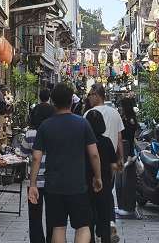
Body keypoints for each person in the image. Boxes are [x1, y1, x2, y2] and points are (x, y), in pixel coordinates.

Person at [29, 83, 101, 243]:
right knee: (83, 227)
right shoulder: (83, 123)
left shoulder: (45, 126)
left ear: (53, 102)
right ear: (71, 102)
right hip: (78, 186)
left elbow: (36, 157)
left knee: (58, 227)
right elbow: (94, 154)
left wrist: (33, 184)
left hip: (53, 187)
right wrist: (98, 177)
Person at [85, 109, 116, 243]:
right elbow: (113, 165)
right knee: (104, 217)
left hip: (86, 183)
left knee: (88, 218)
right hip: (104, 183)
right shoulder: (107, 141)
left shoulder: (84, 143)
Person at [20, 103, 49, 243]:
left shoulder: (30, 134)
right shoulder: (54, 131)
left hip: (34, 180)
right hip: (52, 179)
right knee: (53, 216)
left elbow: (23, 153)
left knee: (35, 216)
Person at [86, 84, 124, 170]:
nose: (89, 98)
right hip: (111, 162)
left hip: (92, 163)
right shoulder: (115, 113)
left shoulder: (89, 114)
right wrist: (121, 158)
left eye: (90, 95)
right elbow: (119, 138)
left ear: (96, 95)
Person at [115, 97, 140, 218]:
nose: (119, 108)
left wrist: (130, 154)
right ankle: (121, 206)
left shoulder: (130, 120)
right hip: (123, 150)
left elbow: (129, 138)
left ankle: (126, 206)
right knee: (120, 180)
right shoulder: (125, 118)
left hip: (126, 151)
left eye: (121, 106)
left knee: (125, 180)